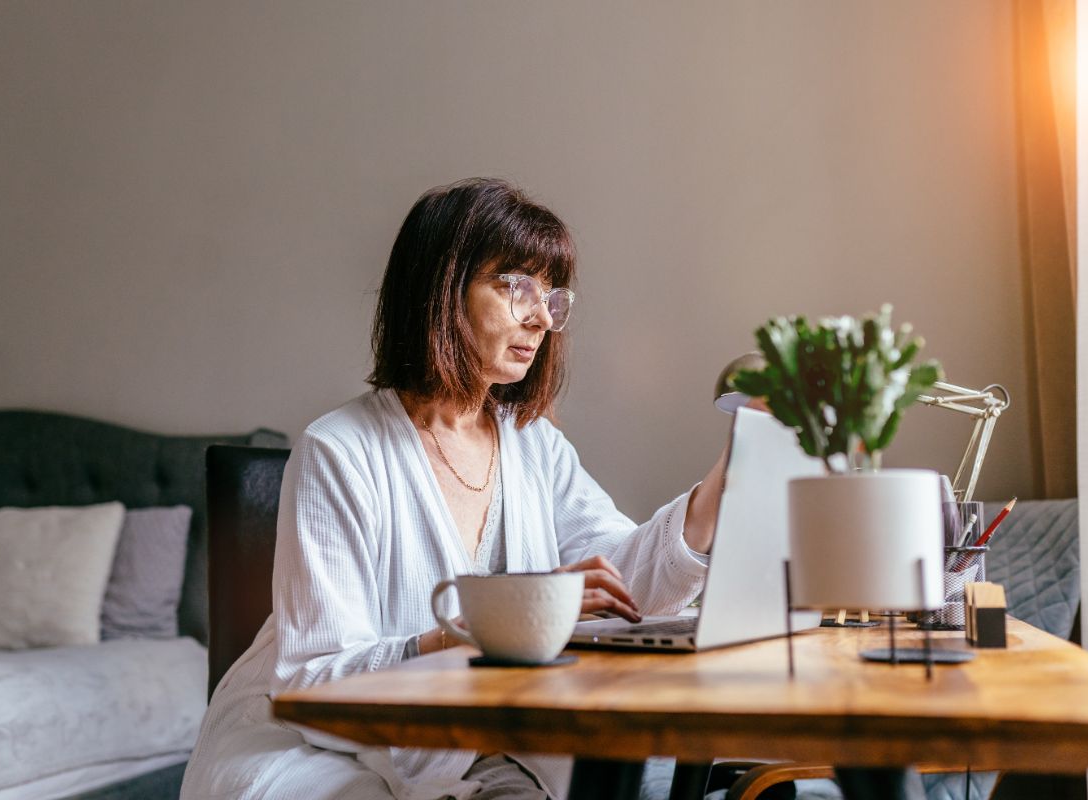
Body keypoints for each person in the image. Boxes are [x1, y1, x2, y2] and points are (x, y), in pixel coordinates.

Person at [180, 178, 729, 800]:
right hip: (316, 746)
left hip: (473, 739)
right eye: (514, 285)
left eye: (551, 294)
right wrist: (492, 625)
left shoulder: (533, 444)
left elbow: (623, 587)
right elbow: (313, 681)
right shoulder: (338, 450)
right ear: (441, 290)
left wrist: (726, 481)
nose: (541, 316)